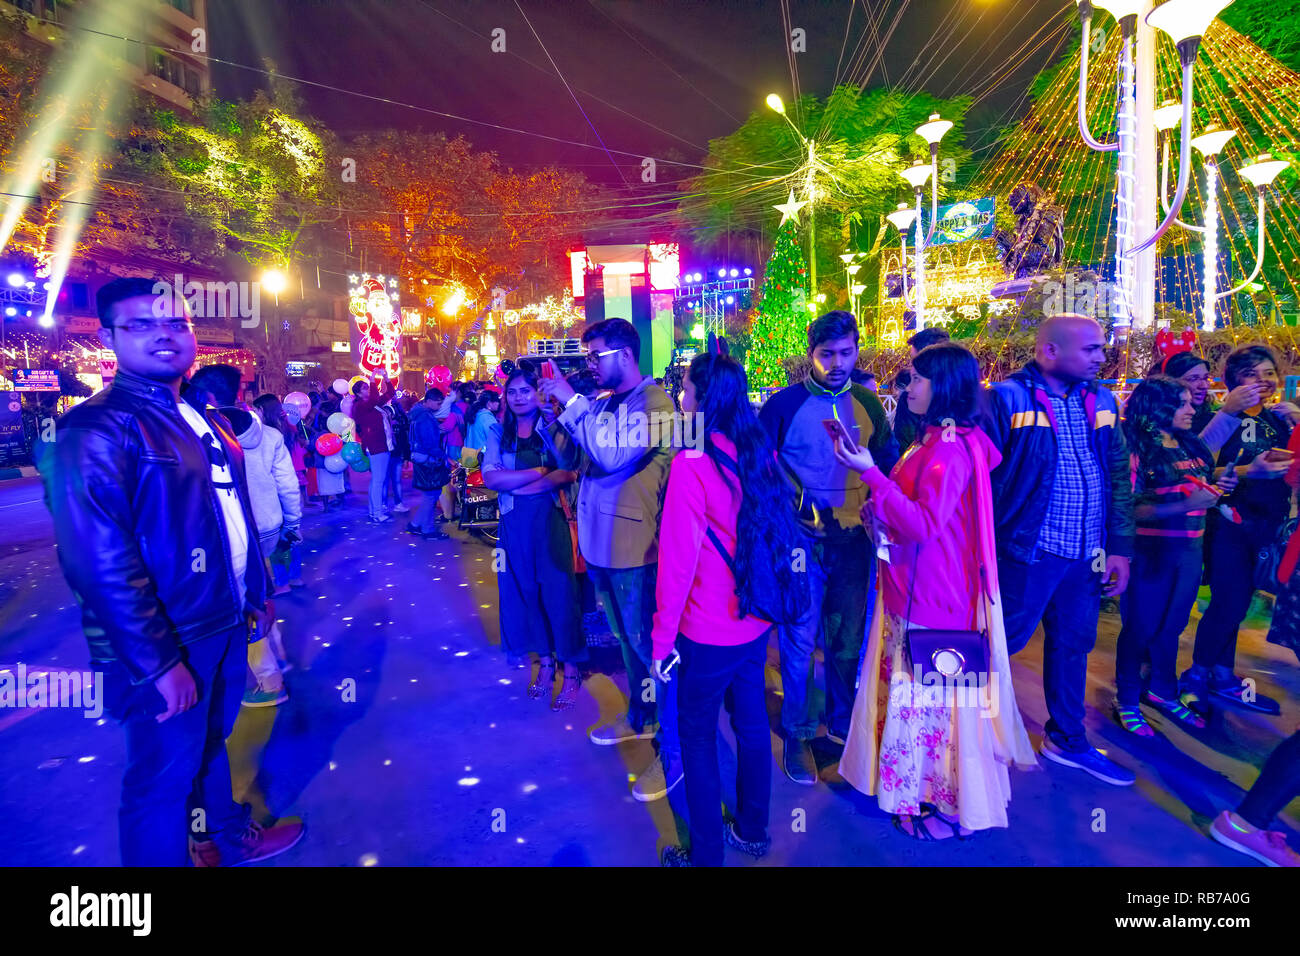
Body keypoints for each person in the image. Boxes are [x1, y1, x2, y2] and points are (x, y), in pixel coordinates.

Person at [38, 276, 302, 866]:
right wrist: (157, 661)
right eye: (143, 324)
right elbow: (97, 561)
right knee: (158, 781)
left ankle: (226, 838)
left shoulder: (198, 414)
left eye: (177, 323)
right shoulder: (97, 428)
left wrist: (255, 594)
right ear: (109, 336)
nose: (165, 335)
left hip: (222, 619)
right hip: (166, 638)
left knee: (211, 746)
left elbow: (230, 513)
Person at [834, 342, 1037, 839]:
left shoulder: (947, 448)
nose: (907, 388)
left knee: (938, 708)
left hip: (933, 596)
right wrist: (880, 508)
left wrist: (871, 475)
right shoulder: (938, 440)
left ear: (943, 385)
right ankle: (928, 796)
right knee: (932, 705)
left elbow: (925, 524)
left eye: (916, 379)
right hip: (924, 587)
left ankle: (952, 810)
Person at [651, 353, 807, 866]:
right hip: (754, 618)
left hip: (707, 627)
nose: (682, 398)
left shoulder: (692, 462)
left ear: (704, 398)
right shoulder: (755, 447)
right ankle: (754, 830)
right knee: (752, 722)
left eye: (688, 390)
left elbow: (676, 566)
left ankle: (706, 857)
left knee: (696, 737)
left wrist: (660, 641)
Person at [985, 313, 1137, 786]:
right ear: (1049, 351)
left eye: (1100, 348)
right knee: (996, 644)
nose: (1100, 356)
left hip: (1086, 554)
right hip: (1028, 551)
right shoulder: (1008, 398)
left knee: (1074, 645)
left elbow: (1117, 476)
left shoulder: (1104, 400)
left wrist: (1119, 548)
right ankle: (968, 741)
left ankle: (1067, 739)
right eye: (1090, 348)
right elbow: (984, 480)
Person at [537, 317, 680, 802]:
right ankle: (641, 716)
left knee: (650, 648)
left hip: (635, 549)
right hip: (600, 543)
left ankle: (674, 747)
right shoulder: (603, 403)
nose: (589, 365)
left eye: (595, 356)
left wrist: (572, 401)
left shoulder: (656, 404)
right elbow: (573, 458)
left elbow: (613, 454)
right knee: (624, 640)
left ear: (625, 354)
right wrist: (551, 411)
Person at [758, 310, 898, 786]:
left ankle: (843, 727)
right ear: (811, 354)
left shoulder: (869, 403)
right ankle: (797, 733)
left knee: (846, 641)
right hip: (802, 546)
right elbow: (758, 471)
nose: (837, 363)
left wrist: (879, 510)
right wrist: (791, 513)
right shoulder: (783, 405)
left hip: (854, 545)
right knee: (798, 642)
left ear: (858, 350)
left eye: (846, 353)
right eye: (826, 354)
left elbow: (889, 464)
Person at [1113, 377, 1237, 737]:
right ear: (1156, 408)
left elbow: (1194, 484)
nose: (1191, 409)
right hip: (1152, 553)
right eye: (1181, 403)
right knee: (1140, 627)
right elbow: (1127, 507)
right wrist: (1186, 503)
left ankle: (1162, 690)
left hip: (1189, 550)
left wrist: (1216, 487)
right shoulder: (1136, 448)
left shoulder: (1189, 445)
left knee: (1172, 628)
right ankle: (1128, 699)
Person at [1182, 345, 1294, 715]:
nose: (1262, 381)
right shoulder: (1214, 420)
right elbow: (1195, 471)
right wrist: (1251, 472)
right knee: (1230, 601)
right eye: (1252, 374)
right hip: (1228, 523)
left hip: (1268, 525)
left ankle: (1222, 675)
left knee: (1239, 604)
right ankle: (1196, 676)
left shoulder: (1279, 421)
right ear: (1232, 382)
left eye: (1268, 373)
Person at [483, 366, 586, 710]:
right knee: (527, 595)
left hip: (551, 521)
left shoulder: (552, 427)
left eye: (525, 390)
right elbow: (492, 479)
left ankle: (570, 670)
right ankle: (545, 664)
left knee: (559, 595)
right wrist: (542, 472)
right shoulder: (498, 432)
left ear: (539, 392)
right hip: (514, 525)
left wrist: (527, 482)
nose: (518, 397)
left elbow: (569, 470)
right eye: (512, 392)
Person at [1158, 350, 1274, 454]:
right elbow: (1197, 463)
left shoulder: (1209, 409)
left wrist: (1280, 410)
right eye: (1193, 379)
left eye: (1205, 378)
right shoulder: (1161, 418)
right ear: (1171, 382)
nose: (1203, 386)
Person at [253, 393, 306, 590]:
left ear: (262, 410)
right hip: (289, 486)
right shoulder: (288, 429)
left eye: (255, 409)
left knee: (277, 540)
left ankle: (282, 582)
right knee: (290, 536)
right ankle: (295, 576)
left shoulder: (265, 434)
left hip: (274, 490)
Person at [892, 327, 950, 452]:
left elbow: (905, 446)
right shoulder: (970, 395)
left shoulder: (913, 397)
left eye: (914, 360)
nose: (911, 366)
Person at [406, 388, 451, 540]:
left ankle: (416, 524)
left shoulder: (418, 414)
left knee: (429, 495)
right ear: (429, 401)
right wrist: (445, 457)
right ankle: (427, 529)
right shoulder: (425, 418)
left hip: (421, 458)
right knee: (431, 495)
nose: (439, 406)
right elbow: (430, 445)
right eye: (438, 403)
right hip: (428, 460)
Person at [352, 374, 396, 523]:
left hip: (381, 445)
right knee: (378, 481)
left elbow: (390, 394)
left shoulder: (374, 404)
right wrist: (372, 380)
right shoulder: (361, 406)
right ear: (358, 393)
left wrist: (386, 378)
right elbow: (372, 399)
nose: (369, 389)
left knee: (376, 480)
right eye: (364, 388)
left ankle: (374, 511)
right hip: (376, 446)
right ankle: (377, 514)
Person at [381, 393, 410, 514]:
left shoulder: (397, 426)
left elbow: (404, 441)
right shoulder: (382, 426)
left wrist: (406, 457)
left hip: (396, 456)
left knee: (395, 480)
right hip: (385, 456)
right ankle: (383, 504)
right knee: (385, 481)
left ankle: (397, 503)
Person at [464, 390, 503, 455]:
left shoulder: (476, 413)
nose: (498, 403)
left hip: (471, 455)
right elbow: (494, 438)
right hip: (482, 456)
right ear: (489, 403)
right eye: (496, 401)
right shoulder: (487, 417)